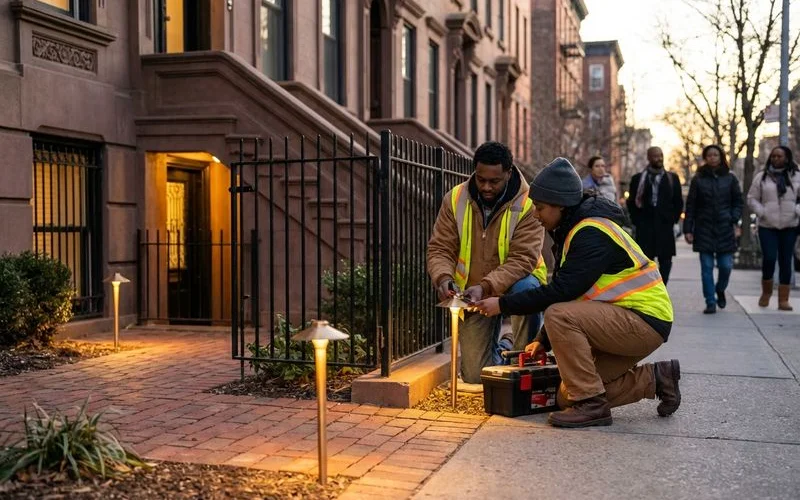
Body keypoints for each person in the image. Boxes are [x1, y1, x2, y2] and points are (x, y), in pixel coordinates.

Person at [472, 157, 679, 428]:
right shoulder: (574, 231)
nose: (536, 214)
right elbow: (573, 293)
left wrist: (503, 304)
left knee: (558, 316)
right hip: (627, 321)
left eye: (540, 208)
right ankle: (656, 378)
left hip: (644, 321)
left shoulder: (591, 233)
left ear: (560, 205)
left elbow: (563, 291)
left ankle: (592, 405)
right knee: (567, 396)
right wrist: (542, 341)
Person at [427, 141, 547, 386]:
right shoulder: (455, 198)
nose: (486, 187)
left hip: (516, 285)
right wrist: (443, 277)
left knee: (527, 289)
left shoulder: (528, 204)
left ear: (509, 173)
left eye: (494, 181)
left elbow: (523, 259)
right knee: (473, 376)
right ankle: (507, 346)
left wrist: (487, 285)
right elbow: (440, 248)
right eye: (481, 180)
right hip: (474, 294)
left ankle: (523, 360)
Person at [683, 145, 743, 314]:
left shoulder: (730, 178)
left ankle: (720, 289)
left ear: (721, 157)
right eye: (709, 155)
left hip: (725, 228)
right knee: (706, 268)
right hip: (704, 229)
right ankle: (710, 301)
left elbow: (738, 201)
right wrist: (688, 229)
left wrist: (733, 216)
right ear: (705, 157)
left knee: (726, 266)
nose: (712, 157)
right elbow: (691, 206)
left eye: (715, 154)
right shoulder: (698, 179)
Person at [747, 145, 800, 311]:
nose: (776, 159)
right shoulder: (761, 177)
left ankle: (783, 299)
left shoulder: (796, 176)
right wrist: (762, 212)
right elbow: (751, 198)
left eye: (780, 156)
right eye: (774, 156)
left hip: (790, 224)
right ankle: (766, 292)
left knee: (786, 260)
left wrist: (797, 210)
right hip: (767, 225)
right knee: (769, 258)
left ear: (787, 158)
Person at [626, 147, 683, 284]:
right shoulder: (638, 179)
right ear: (649, 158)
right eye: (655, 156)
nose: (659, 158)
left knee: (666, 261)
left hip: (665, 227)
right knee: (645, 262)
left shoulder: (672, 178)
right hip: (645, 227)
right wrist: (637, 221)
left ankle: (662, 287)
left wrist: (672, 220)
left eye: (661, 155)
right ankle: (650, 288)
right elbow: (632, 202)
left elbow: (678, 202)